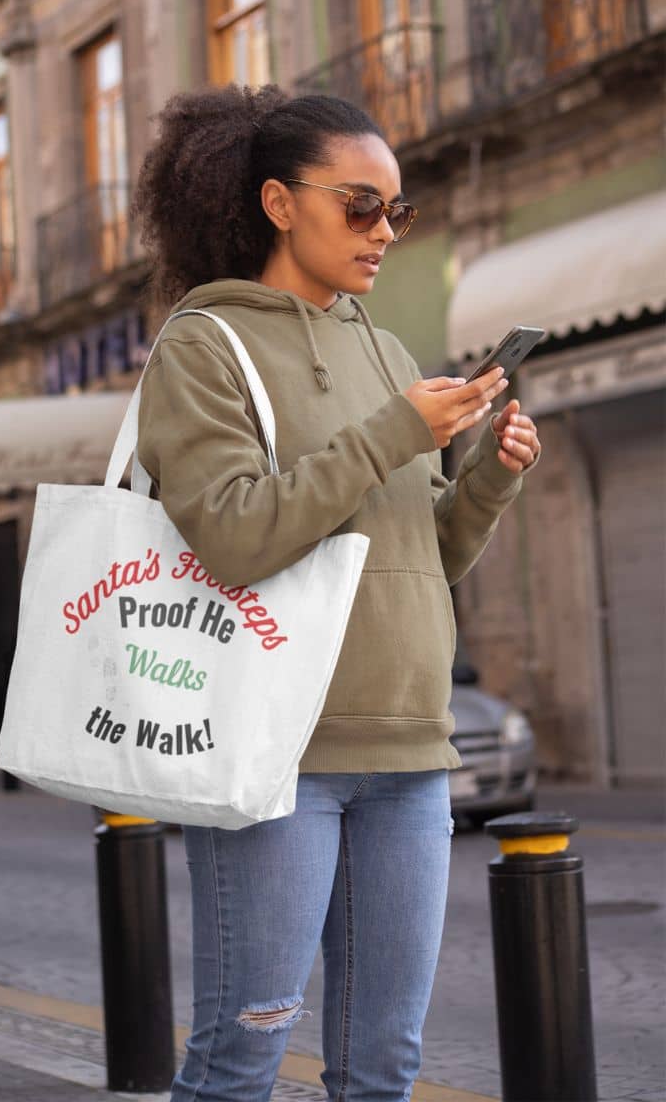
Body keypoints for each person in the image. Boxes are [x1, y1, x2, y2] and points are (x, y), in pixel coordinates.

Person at [133, 83, 541, 1102]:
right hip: (278, 758)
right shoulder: (203, 344)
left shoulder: (385, 351)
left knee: (382, 1068)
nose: (384, 232)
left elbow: (425, 558)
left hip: (409, 753)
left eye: (396, 210)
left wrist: (487, 477)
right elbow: (233, 534)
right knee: (239, 1062)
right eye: (360, 206)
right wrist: (394, 432)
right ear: (278, 203)